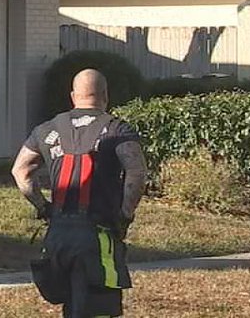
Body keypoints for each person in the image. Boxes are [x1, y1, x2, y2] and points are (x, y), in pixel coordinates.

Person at [12, 69, 148, 318]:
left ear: (73, 96)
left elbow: (20, 171)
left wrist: (43, 207)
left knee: (71, 308)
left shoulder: (47, 129)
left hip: (58, 237)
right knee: (97, 309)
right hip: (97, 236)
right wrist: (125, 216)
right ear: (105, 96)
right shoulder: (117, 129)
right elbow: (136, 174)